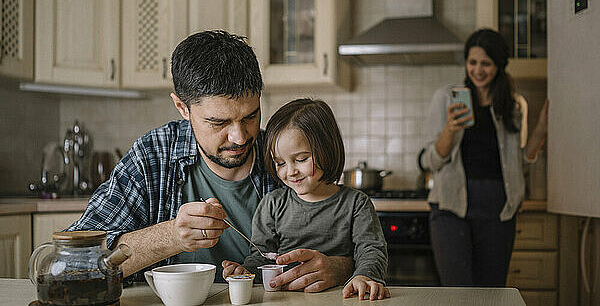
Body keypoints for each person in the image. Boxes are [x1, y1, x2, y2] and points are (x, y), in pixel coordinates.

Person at [68, 30, 354, 290]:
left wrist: (340, 267)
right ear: (182, 107)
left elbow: (355, 247)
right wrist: (171, 236)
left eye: (250, 116)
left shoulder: (283, 156)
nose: (240, 137)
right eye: (219, 123)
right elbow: (74, 264)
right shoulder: (153, 155)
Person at [221, 98, 390, 301]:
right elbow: (261, 256)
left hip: (341, 298)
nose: (290, 172)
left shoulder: (356, 203)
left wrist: (365, 275)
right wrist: (244, 272)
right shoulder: (272, 204)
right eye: (280, 163)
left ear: (326, 150)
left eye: (301, 159)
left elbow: (371, 249)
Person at [418, 28, 548, 287]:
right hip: (452, 209)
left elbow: (518, 163)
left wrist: (542, 128)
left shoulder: (509, 104)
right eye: (472, 62)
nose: (478, 70)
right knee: (458, 294)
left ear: (499, 65)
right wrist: (450, 131)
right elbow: (427, 162)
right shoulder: (447, 98)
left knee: (492, 293)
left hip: (500, 211)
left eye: (486, 63)